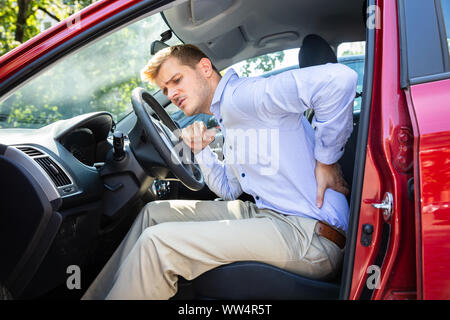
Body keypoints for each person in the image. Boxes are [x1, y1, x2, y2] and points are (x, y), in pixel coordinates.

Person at [82, 44, 357, 300]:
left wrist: (327, 160)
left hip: (312, 235)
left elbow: (339, 79)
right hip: (273, 214)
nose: (171, 95)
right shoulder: (228, 116)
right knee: (153, 215)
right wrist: (201, 150)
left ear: (204, 68)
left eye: (176, 81)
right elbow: (230, 190)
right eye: (164, 90)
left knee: (158, 245)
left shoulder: (245, 96)